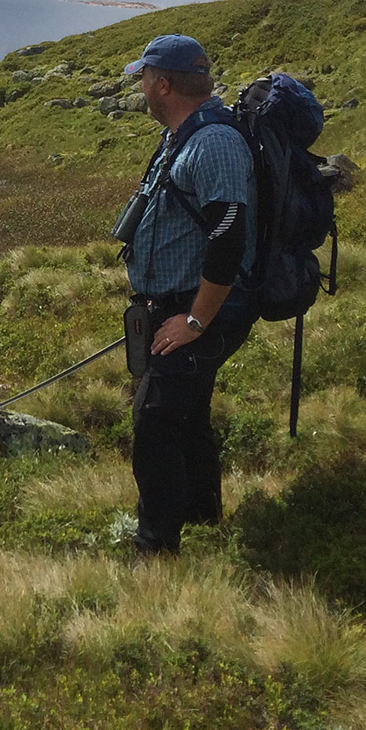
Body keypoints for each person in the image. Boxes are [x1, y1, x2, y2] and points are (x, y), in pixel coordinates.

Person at [119, 34, 256, 555]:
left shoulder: (214, 142)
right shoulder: (185, 135)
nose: (141, 89)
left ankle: (155, 548)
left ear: (165, 84)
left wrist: (195, 322)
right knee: (188, 413)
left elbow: (228, 236)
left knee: (154, 420)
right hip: (178, 305)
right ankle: (202, 514)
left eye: (145, 79)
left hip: (204, 311)